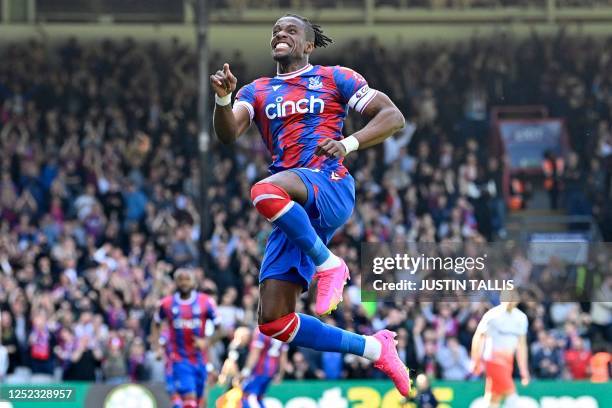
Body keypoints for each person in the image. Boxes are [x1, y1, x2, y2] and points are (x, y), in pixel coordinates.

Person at [210, 13, 410, 396]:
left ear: (308, 45)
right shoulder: (257, 90)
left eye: (291, 30)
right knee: (274, 321)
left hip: (328, 184)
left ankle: (329, 264)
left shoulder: (335, 77)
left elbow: (392, 116)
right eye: (275, 31)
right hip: (294, 206)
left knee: (263, 191)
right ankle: (374, 348)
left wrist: (349, 143)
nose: (280, 35)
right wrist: (223, 98)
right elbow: (227, 133)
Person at [151, 268, 222, 408]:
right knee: (189, 399)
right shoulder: (166, 304)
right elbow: (155, 324)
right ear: (175, 283)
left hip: (200, 359)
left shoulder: (206, 302)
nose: (184, 283)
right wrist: (157, 347)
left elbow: (220, 329)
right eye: (180, 280)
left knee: (200, 401)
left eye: (187, 279)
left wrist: (206, 341)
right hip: (179, 359)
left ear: (194, 282)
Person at [470, 296, 530, 408]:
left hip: (508, 363)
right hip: (493, 361)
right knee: (512, 397)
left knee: (493, 398)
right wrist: (475, 360)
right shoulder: (492, 315)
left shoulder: (521, 318)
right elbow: (478, 337)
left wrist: (523, 369)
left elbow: (521, 346)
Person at [238, 327, 288, 408]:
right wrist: (280, 374)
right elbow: (283, 357)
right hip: (271, 370)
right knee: (259, 397)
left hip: (259, 369)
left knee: (247, 396)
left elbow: (255, 354)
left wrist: (246, 371)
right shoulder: (282, 331)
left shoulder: (262, 330)